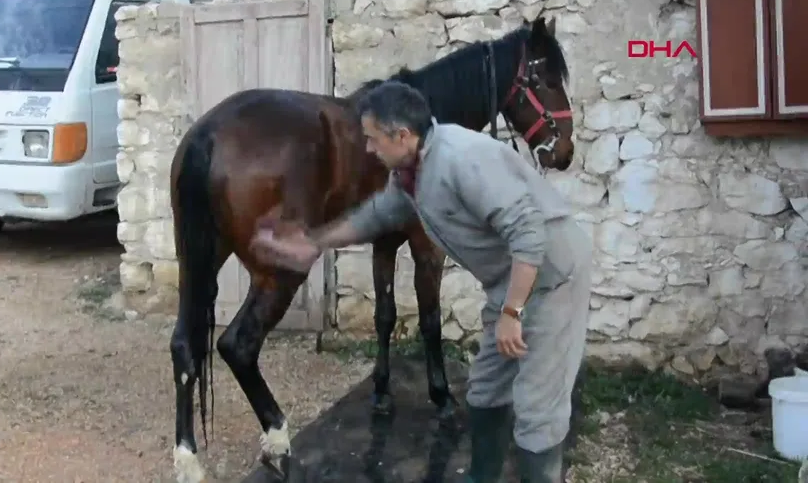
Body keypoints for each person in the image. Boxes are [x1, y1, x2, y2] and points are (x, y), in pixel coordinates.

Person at [250, 81, 592, 483]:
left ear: (401, 136)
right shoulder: (411, 172)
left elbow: (529, 232)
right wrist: (312, 243)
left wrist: (512, 313)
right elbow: (376, 215)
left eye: (373, 139)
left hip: (552, 278)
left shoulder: (462, 159)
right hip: (511, 279)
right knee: (485, 389)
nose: (368, 149)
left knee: (537, 408)